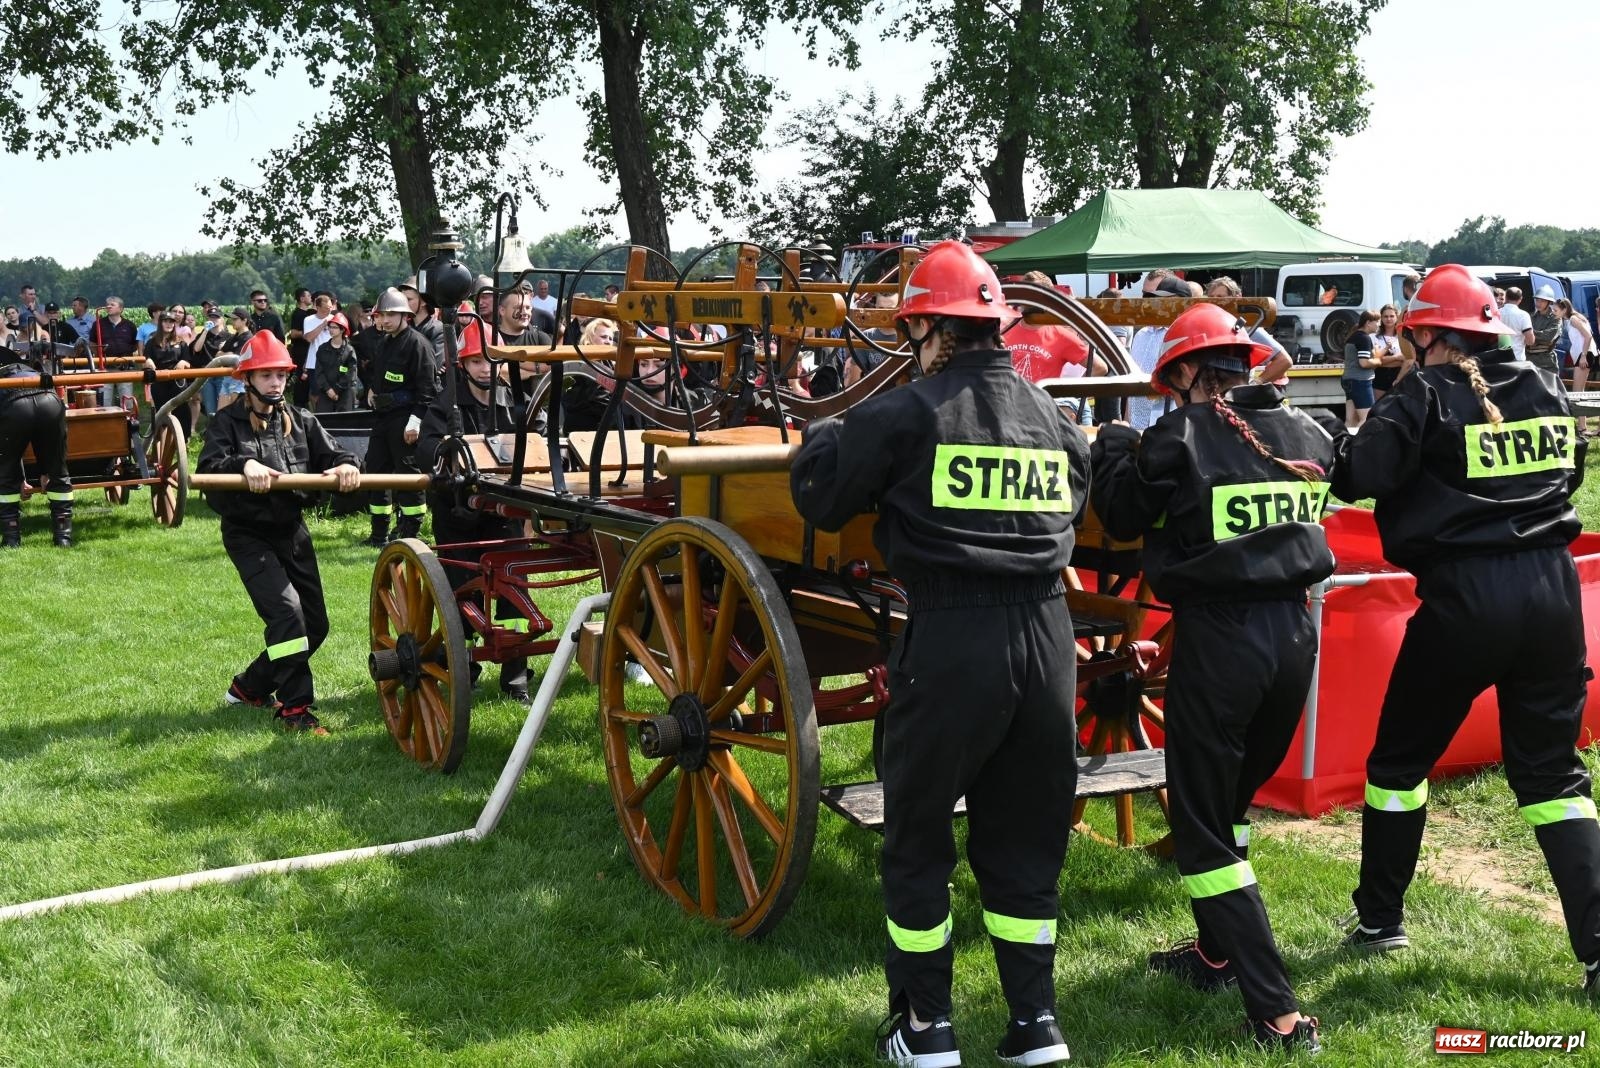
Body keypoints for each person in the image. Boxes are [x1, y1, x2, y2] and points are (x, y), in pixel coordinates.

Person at [790, 241, 1086, 1068]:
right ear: (996, 327)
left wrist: (825, 433)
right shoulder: (1052, 418)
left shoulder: (906, 413)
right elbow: (1082, 484)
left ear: (923, 324)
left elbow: (819, 492)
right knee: (1026, 838)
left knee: (918, 836)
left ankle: (926, 1030)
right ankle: (1034, 1025)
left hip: (956, 639)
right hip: (1050, 635)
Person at [1322, 264, 1600, 998]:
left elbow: (1357, 477)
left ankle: (1381, 921)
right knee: (1552, 778)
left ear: (1428, 336)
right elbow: (1568, 478)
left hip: (1466, 599)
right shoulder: (1542, 385)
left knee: (1397, 766)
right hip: (1552, 593)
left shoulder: (1421, 392)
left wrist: (1336, 440)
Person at [1091, 302, 1332, 1054]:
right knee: (1227, 807)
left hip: (1222, 642)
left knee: (1201, 835)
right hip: (1296, 638)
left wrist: (1113, 444)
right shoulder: (1304, 430)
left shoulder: (1178, 434)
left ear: (1190, 372)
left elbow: (1123, 514)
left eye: (1173, 382)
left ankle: (1278, 1015)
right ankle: (1215, 955)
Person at [198, 331, 359, 734]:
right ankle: (295, 710)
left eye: (281, 375)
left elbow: (335, 452)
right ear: (247, 379)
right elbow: (208, 471)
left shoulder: (301, 419)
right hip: (248, 534)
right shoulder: (226, 423)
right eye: (266, 374)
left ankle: (250, 688)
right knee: (288, 616)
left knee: (315, 625)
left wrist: (344, 464)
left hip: (292, 530)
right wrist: (242, 466)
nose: (275, 383)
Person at [417, 332, 531, 703]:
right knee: (460, 588)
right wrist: (452, 454)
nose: (485, 368)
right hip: (459, 513)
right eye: (477, 361)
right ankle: (461, 665)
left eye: (491, 361)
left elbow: (537, 437)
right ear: (463, 366)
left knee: (514, 586)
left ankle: (516, 676)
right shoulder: (445, 405)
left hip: (504, 511)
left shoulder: (515, 400)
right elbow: (428, 450)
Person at [362, 286, 438, 547]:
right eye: (381, 315)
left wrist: (416, 421)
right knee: (375, 471)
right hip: (383, 418)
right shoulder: (385, 342)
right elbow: (379, 374)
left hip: (406, 419)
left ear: (405, 315)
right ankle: (379, 534)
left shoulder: (418, 344)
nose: (384, 320)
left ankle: (410, 533)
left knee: (407, 476)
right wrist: (373, 389)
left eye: (390, 315)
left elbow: (428, 389)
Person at [0, 350, 73, 548]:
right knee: (59, 471)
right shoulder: (30, 369)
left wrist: (19, 478)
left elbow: (10, 451)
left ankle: (12, 539)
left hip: (14, 403)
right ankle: (63, 538)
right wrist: (44, 470)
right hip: (49, 400)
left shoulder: (5, 377)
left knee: (4, 472)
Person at [1204, 277, 1292, 385]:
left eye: (1220, 297)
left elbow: (1284, 361)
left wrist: (1255, 383)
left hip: (1235, 395)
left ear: (1237, 298)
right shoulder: (1205, 327)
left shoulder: (1246, 328)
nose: (1216, 302)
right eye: (1211, 297)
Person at [144, 310, 195, 438]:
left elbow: (188, 361)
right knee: (161, 411)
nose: (169, 324)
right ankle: (161, 438)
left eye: (171, 321)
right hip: (159, 381)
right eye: (165, 321)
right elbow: (145, 359)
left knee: (182, 409)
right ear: (160, 323)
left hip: (177, 381)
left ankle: (184, 439)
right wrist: (148, 361)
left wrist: (183, 362)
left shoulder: (181, 342)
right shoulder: (151, 342)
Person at [1560, 298, 1596, 435]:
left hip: (1584, 356)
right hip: (1583, 355)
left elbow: (1588, 337)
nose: (1554, 312)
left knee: (1578, 392)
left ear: (1564, 309)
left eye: (1556, 310)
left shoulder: (1574, 319)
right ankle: (1582, 426)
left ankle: (1582, 427)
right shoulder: (1573, 319)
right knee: (1579, 391)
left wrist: (1583, 356)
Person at [1341, 309, 1382, 428]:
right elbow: (1363, 363)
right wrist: (1378, 362)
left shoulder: (1354, 336)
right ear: (1368, 323)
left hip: (1348, 380)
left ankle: (1345, 445)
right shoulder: (1364, 338)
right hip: (1360, 382)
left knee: (1351, 420)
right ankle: (1361, 445)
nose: (1379, 324)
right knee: (1366, 419)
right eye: (1377, 321)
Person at [311, 313, 356, 412]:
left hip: (344, 394)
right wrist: (328, 390)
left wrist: (336, 390)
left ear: (342, 330)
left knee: (345, 423)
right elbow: (319, 372)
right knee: (323, 422)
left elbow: (351, 373)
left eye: (334, 327)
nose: (331, 330)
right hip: (326, 392)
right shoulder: (322, 349)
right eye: (330, 327)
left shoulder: (349, 351)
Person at [1371, 303, 1404, 400]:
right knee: (1378, 408)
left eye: (1391, 316)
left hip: (1399, 376)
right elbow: (1374, 361)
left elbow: (1407, 360)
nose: (1388, 319)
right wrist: (1397, 358)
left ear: (1397, 317)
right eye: (1385, 316)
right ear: (1381, 318)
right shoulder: (1373, 337)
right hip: (1380, 377)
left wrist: (1382, 360)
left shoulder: (1403, 338)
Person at [1497, 286, 1534, 360]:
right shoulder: (1523, 315)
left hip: (1499, 357)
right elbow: (1530, 341)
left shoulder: (1497, 313)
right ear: (1520, 299)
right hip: (1517, 358)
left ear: (1506, 298)